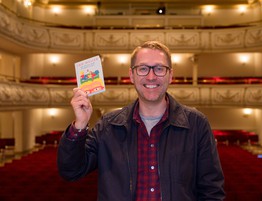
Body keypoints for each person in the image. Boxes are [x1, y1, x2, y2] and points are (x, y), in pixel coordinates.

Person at [57, 40, 225, 201]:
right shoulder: (107, 126)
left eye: (159, 68)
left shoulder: (197, 124)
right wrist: (79, 125)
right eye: (143, 68)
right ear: (131, 75)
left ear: (170, 75)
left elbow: (211, 191)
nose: (151, 76)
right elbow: (71, 171)